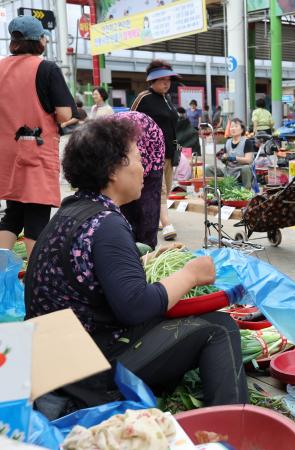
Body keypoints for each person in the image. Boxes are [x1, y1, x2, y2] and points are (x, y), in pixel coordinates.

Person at [25, 118, 247, 417]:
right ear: (114, 169)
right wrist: (190, 274)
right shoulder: (107, 224)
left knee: (191, 321)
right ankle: (232, 425)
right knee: (219, 328)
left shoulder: (73, 211)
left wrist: (142, 262)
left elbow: (87, 277)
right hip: (87, 372)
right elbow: (136, 307)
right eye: (140, 158)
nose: (145, 168)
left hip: (53, 362)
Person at [0, 16, 76, 258]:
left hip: (7, 153)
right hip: (35, 151)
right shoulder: (46, 68)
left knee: (12, 213)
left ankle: (1, 275)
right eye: (44, 36)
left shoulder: (0, 68)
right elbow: (65, 114)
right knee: (36, 213)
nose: (45, 40)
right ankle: (36, 281)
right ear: (37, 41)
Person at [131, 60, 180, 241]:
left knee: (164, 188)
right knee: (160, 189)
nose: (166, 83)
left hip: (169, 153)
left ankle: (156, 219)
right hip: (150, 154)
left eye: (168, 79)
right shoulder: (143, 97)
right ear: (152, 81)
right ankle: (166, 223)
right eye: (162, 80)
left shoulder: (167, 100)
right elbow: (129, 119)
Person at [117, 111, 165, 249]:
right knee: (123, 204)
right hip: (127, 145)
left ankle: (146, 247)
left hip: (150, 143)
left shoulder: (132, 148)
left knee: (147, 204)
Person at [207, 118, 254, 189]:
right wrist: (223, 158)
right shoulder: (228, 142)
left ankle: (247, 192)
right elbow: (226, 158)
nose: (233, 128)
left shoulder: (247, 142)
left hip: (240, 171)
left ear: (242, 130)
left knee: (246, 168)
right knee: (208, 169)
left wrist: (234, 158)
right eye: (231, 127)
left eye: (236, 126)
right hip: (228, 170)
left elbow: (248, 160)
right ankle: (216, 190)